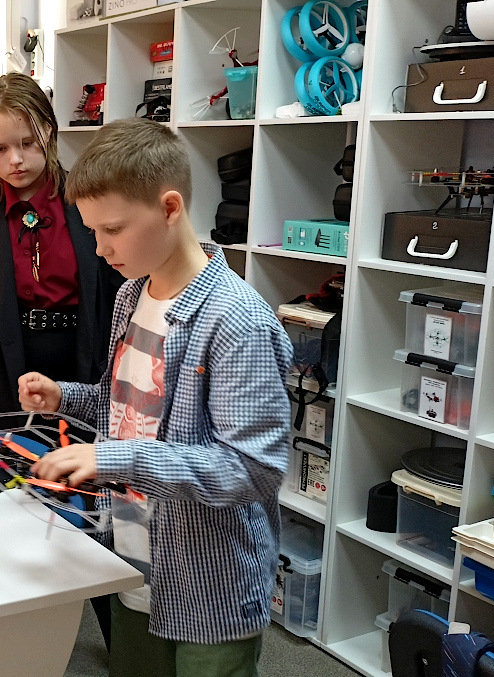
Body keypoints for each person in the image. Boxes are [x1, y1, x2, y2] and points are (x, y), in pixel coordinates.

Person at [21, 118, 292, 677]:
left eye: (113, 230)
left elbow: (252, 468)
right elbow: (122, 407)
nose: (100, 249)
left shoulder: (236, 320)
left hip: (209, 587)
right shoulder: (130, 296)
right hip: (135, 559)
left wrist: (114, 459)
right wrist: (65, 397)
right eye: (92, 231)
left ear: (170, 208)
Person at [0, 73, 126, 421]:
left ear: (48, 130)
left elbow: (121, 298)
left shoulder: (90, 200)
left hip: (84, 375)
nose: (15, 160)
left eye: (28, 143)